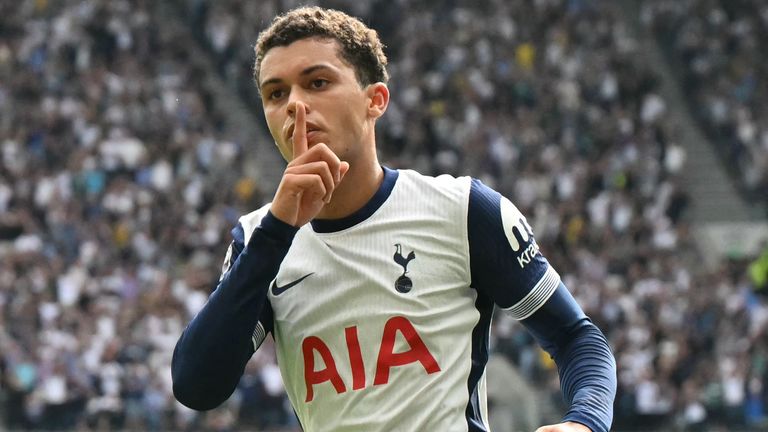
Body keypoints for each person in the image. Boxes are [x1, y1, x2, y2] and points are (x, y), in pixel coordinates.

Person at [171, 6, 616, 432]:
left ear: (375, 101)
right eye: (276, 93)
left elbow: (577, 338)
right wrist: (278, 230)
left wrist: (584, 421)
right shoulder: (258, 239)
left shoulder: (461, 210)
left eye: (318, 82)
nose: (295, 106)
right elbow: (196, 387)